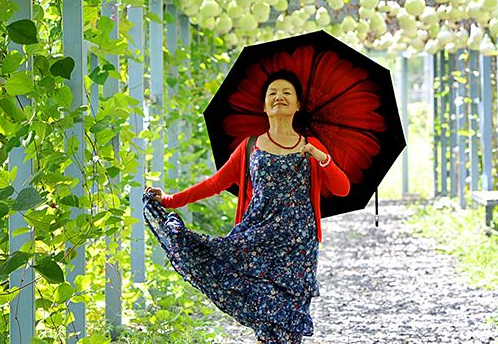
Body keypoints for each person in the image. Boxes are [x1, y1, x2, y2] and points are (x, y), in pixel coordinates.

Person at [143, 69, 350, 344]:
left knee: (290, 317)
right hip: (257, 240)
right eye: (272, 93)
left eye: (287, 92)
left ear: (298, 104)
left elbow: (342, 189)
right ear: (264, 105)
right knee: (266, 314)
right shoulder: (251, 146)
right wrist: (170, 200)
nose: (280, 97)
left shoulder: (311, 146)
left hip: (298, 245)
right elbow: (216, 183)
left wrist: (321, 157)